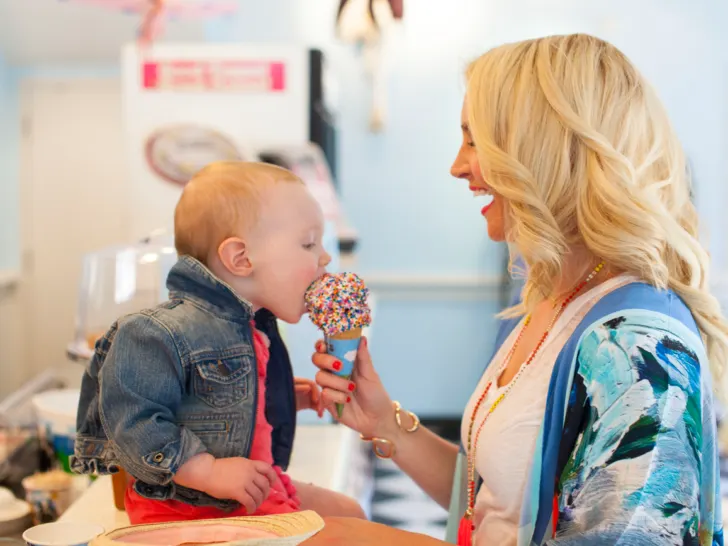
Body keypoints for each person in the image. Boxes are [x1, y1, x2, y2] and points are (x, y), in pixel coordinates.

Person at [306, 34, 728, 545]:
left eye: (474, 140)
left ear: (541, 150)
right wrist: (386, 424)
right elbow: (497, 504)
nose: (457, 166)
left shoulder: (639, 345)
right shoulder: (558, 299)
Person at [72, 162, 365, 524]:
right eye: (308, 243)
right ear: (241, 259)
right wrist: (207, 471)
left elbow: (217, 399)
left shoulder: (252, 326)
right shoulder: (156, 333)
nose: (325, 258)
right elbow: (133, 424)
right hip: (193, 510)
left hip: (256, 489)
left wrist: (286, 396)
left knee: (352, 513)